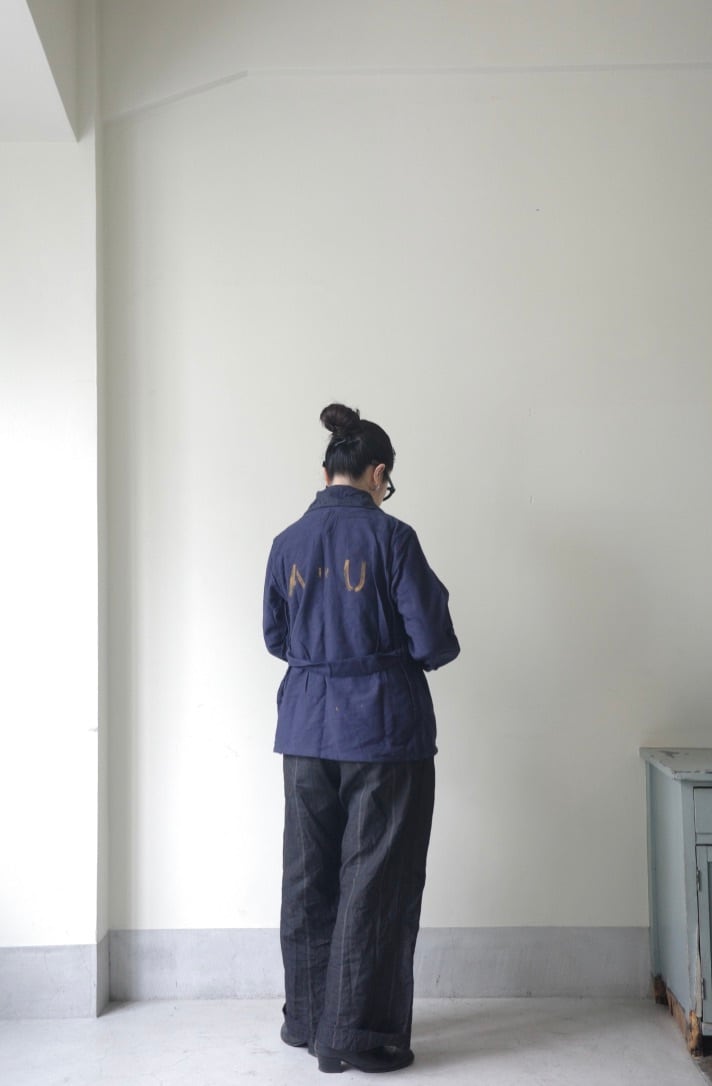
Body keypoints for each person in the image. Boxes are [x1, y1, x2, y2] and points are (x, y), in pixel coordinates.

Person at [262, 403, 460, 1074]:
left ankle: (308, 1020)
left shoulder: (286, 542)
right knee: (376, 879)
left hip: (304, 728)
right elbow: (433, 642)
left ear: (325, 473)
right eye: (387, 482)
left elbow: (276, 638)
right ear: (378, 474)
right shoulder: (393, 538)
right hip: (383, 731)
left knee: (308, 876)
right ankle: (358, 1036)